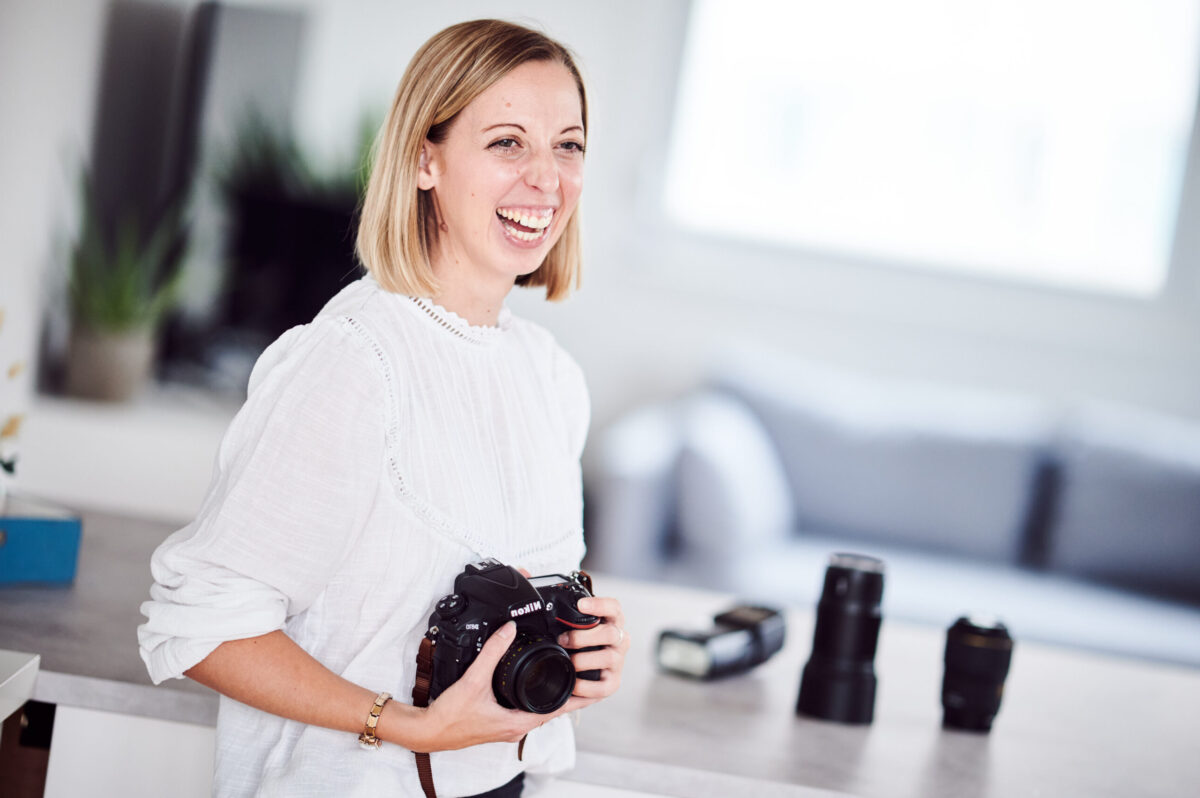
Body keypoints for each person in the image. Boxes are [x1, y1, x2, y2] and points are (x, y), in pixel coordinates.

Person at [138, 19, 630, 798]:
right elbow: (202, 628)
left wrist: (581, 650)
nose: (547, 179)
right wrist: (406, 725)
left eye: (567, 146)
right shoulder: (353, 363)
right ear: (425, 159)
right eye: (507, 142)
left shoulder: (551, 377)